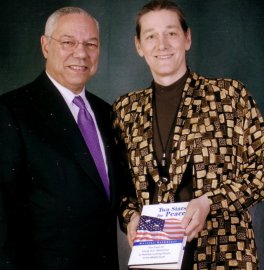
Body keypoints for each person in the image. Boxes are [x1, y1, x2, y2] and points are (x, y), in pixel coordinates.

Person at [113, 0, 264, 269]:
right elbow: (121, 186)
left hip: (223, 252)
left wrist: (210, 202)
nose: (162, 44)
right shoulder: (126, 110)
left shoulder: (229, 96)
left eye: (171, 33)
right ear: (139, 46)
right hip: (156, 258)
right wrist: (131, 217)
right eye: (151, 36)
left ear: (187, 38)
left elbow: (261, 171)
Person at [0, 7, 121, 270]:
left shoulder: (107, 113)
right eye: (68, 42)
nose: (81, 53)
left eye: (91, 44)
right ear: (45, 46)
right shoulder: (11, 111)